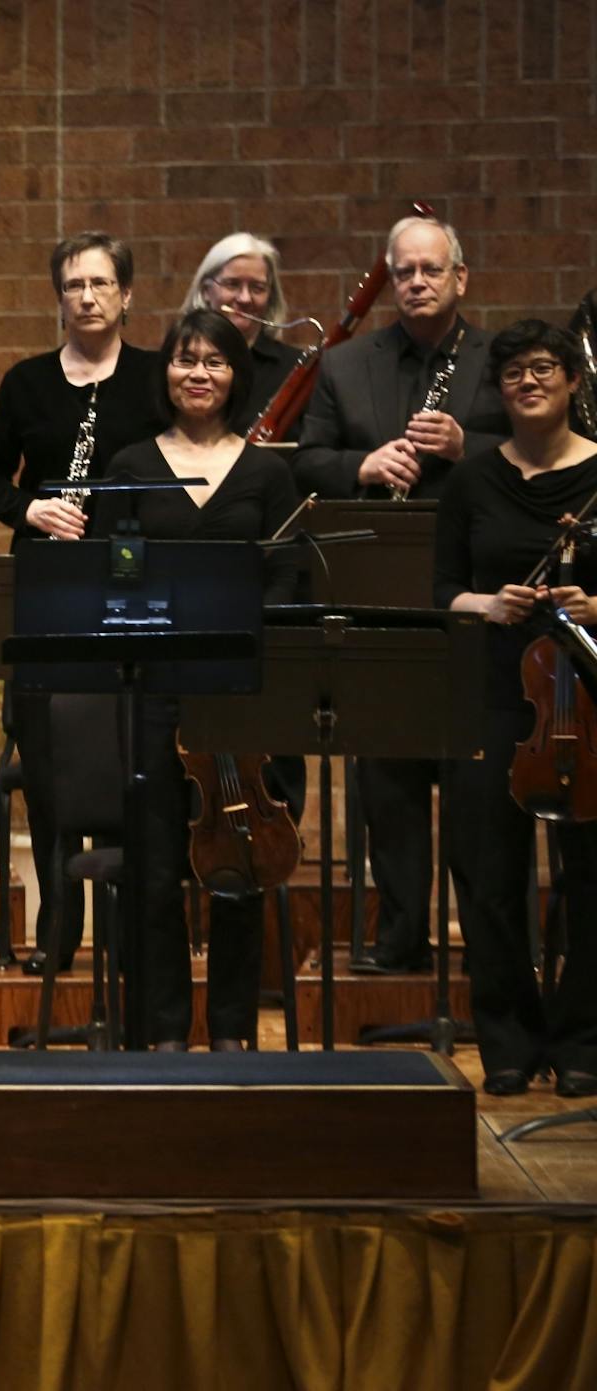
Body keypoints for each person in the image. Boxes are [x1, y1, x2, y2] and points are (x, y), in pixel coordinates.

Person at [295, 215, 511, 974]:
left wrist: (468, 447)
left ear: (461, 278)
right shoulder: (347, 365)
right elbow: (306, 459)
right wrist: (364, 464)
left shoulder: (500, 358)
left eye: (432, 269)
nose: (417, 282)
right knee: (387, 782)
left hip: (477, 602)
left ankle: (485, 949)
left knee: (476, 787)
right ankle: (399, 939)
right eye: (405, 271)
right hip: (380, 595)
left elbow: (546, 450)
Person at [96, 309, 303, 1050]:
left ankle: (233, 1034)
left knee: (240, 863)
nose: (199, 373)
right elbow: (114, 574)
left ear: (237, 376)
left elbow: (287, 578)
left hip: (245, 693)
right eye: (185, 360)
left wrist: (236, 629)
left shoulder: (268, 472)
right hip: (157, 690)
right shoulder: (129, 466)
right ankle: (161, 1034)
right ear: (166, 374)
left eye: (215, 361)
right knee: (157, 870)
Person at [0, 231, 163, 974]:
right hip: (46, 588)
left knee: (124, 755)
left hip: (126, 587)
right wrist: (32, 511)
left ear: (126, 296)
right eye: (73, 285)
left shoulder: (151, 378)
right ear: (59, 298)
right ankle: (59, 927)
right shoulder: (26, 382)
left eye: (100, 284)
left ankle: (123, 933)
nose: (86, 296)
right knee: (46, 759)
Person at [435, 319, 597, 1096]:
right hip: (496, 693)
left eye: (543, 369)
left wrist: (595, 606)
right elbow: (442, 591)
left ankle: (583, 1038)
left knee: (589, 876)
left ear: (571, 380)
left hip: (589, 698)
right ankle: (507, 1037)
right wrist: (486, 602)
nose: (528, 382)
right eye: (513, 374)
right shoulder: (472, 479)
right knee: (491, 874)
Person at [182, 232, 303, 422]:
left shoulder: (296, 368)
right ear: (206, 291)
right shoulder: (177, 364)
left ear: (270, 296)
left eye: (257, 288)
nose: (245, 298)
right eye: (232, 284)